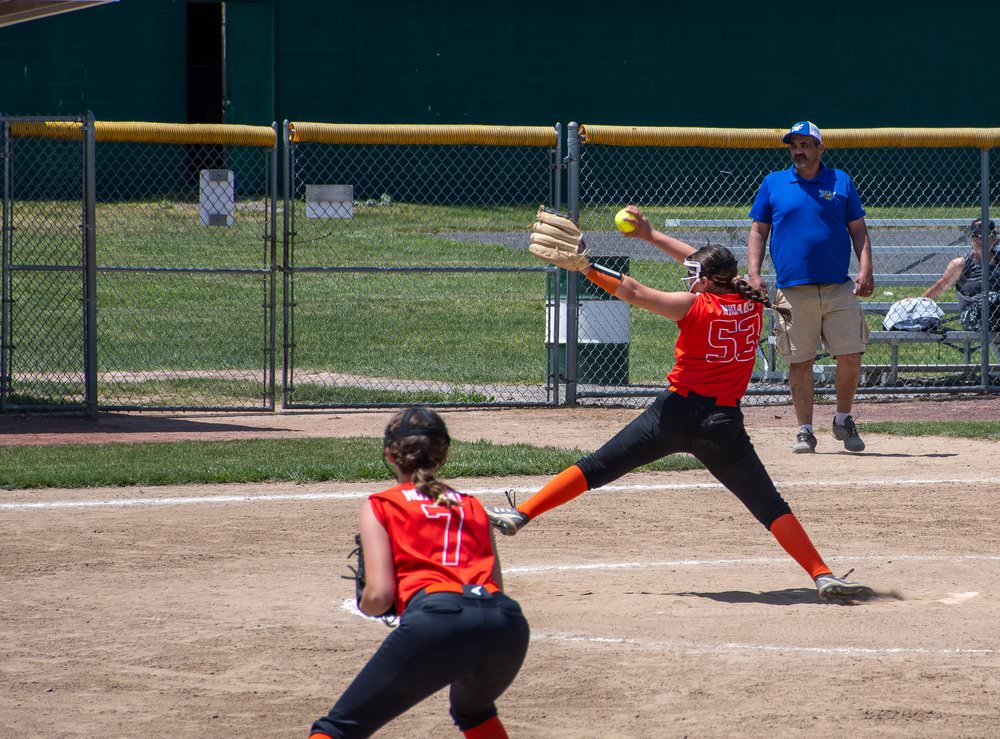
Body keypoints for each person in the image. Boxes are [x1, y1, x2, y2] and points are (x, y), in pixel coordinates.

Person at [487, 209, 874, 605]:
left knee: (596, 467)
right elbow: (702, 261)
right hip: (723, 425)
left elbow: (634, 293)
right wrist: (651, 235)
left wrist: (586, 266)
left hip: (672, 415)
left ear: (706, 280)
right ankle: (821, 574)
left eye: (695, 275)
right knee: (770, 505)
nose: (689, 277)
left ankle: (523, 513)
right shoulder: (750, 300)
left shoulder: (695, 306)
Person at [309, 407, 530, 739]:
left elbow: (379, 598)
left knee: (338, 728)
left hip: (438, 621)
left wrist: (368, 602)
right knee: (474, 711)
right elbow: (495, 584)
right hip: (506, 625)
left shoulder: (383, 504)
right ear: (442, 455)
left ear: (390, 455)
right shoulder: (469, 504)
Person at [747, 120, 874, 454]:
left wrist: (865, 268)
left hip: (838, 288)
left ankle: (843, 419)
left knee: (851, 355)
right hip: (793, 289)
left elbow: (858, 230)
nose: (798, 151)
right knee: (799, 362)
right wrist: (754, 273)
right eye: (794, 145)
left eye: (805, 144)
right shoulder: (774, 183)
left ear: (821, 148)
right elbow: (758, 231)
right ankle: (804, 430)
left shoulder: (841, 181)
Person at [922, 218, 1000, 331]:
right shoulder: (961, 264)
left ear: (993, 239)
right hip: (972, 317)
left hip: (997, 315)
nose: (978, 240)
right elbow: (941, 285)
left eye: (983, 236)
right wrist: (919, 302)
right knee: (992, 297)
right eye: (975, 236)